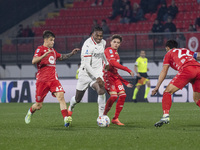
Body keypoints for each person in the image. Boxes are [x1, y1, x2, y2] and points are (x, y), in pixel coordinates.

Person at [24, 30, 79, 127]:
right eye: (51, 40)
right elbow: (33, 61)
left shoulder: (53, 51)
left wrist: (71, 53)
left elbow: (61, 57)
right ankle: (30, 112)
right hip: (42, 81)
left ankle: (66, 119)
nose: (53, 42)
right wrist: (43, 55)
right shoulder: (40, 49)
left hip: (53, 80)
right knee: (38, 106)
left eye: (53, 40)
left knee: (61, 96)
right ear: (45, 40)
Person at [152, 39, 200, 127]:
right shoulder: (185, 50)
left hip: (187, 70)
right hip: (198, 69)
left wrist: (157, 87)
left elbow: (164, 70)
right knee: (197, 100)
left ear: (167, 47)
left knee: (167, 92)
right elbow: (198, 55)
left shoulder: (168, 53)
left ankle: (165, 116)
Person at [68, 26, 109, 118]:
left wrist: (106, 62)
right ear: (92, 34)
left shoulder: (103, 42)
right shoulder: (87, 45)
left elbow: (101, 53)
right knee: (78, 99)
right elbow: (87, 65)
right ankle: (71, 106)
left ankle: (101, 117)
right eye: (97, 36)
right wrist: (97, 77)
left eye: (101, 36)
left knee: (101, 90)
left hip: (97, 72)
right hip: (85, 74)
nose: (99, 38)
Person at [103, 35, 134, 125]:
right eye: (114, 42)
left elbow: (115, 71)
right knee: (113, 96)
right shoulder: (108, 50)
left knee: (123, 95)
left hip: (115, 77)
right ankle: (103, 116)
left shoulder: (116, 54)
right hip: (107, 76)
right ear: (111, 42)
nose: (116, 44)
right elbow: (112, 63)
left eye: (118, 43)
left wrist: (125, 82)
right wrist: (128, 69)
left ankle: (115, 118)